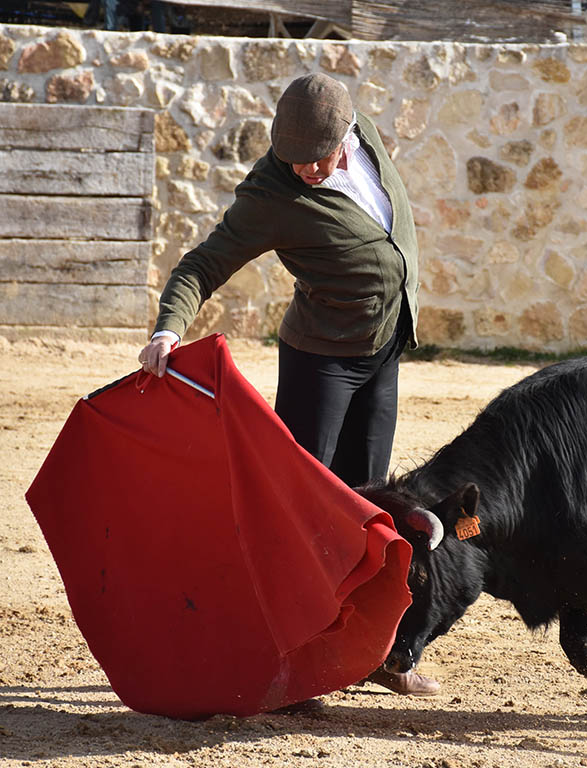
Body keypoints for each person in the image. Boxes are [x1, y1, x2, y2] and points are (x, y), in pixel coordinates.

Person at [137, 72, 438, 697]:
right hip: (321, 366)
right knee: (297, 515)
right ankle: (282, 655)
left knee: (368, 509)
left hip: (382, 354)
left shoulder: (370, 140)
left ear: (347, 138)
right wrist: (169, 330)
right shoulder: (272, 192)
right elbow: (203, 263)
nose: (304, 169)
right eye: (292, 159)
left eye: (315, 159)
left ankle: (371, 652)